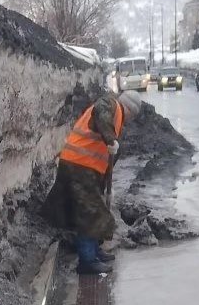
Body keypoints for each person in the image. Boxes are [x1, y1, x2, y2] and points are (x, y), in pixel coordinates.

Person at [42, 90, 142, 275]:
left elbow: (105, 155)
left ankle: (94, 252)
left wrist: (103, 185)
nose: (129, 119)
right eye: (132, 115)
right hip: (79, 165)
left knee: (92, 211)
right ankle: (87, 262)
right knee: (90, 215)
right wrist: (111, 140)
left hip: (84, 168)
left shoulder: (116, 116)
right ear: (129, 109)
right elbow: (99, 111)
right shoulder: (110, 105)